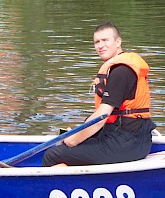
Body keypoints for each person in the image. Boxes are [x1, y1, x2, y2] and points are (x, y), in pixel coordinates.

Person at [43, 22, 155, 167]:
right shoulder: (119, 68)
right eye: (97, 42)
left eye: (105, 40)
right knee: (68, 143)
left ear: (118, 42)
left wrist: (74, 139)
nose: (100, 45)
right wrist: (78, 132)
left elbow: (102, 116)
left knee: (53, 155)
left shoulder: (121, 71)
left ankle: (49, 187)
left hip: (126, 143)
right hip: (133, 139)